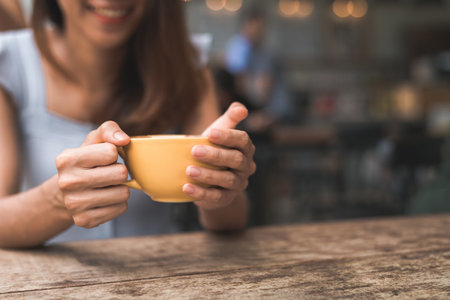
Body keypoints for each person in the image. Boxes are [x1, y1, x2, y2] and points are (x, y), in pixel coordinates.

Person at [0, 0, 256, 248]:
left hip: (164, 278)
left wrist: (221, 184)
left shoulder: (186, 62)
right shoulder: (9, 60)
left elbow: (231, 221)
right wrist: (56, 201)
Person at [224, 7, 293, 133]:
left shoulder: (266, 55)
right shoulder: (242, 49)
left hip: (277, 114)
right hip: (264, 113)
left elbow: (261, 93)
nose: (256, 31)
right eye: (253, 27)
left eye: (259, 28)